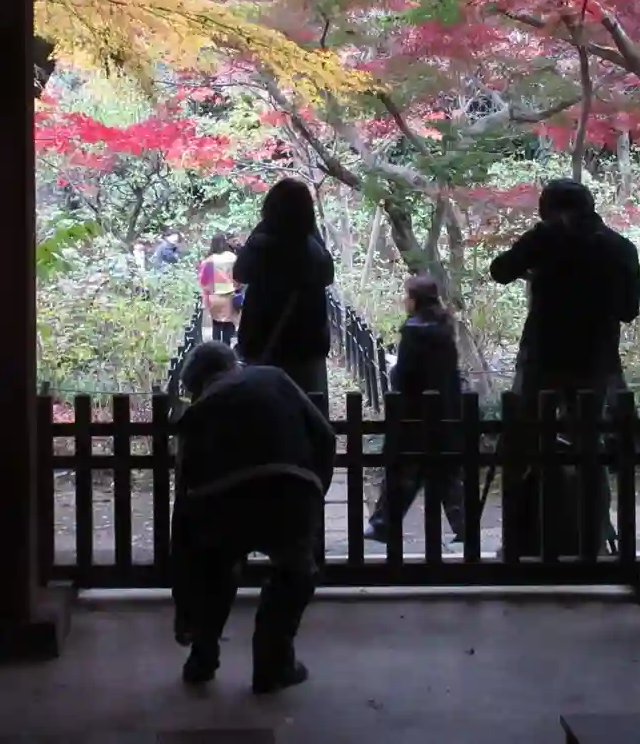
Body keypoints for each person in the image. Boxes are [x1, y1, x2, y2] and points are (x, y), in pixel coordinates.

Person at [170, 341, 336, 693]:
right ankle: (273, 663)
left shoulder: (196, 414)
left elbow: (185, 497)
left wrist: (185, 600)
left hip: (221, 500)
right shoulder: (273, 378)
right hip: (290, 489)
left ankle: (202, 658)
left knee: (215, 571)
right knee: (295, 572)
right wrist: (315, 488)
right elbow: (324, 434)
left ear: (196, 386)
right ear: (233, 364)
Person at [488, 178, 640, 556]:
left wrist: (540, 260)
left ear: (549, 211)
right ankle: (593, 538)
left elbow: (500, 270)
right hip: (595, 359)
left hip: (543, 358)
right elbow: (628, 310)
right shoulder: (619, 247)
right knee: (590, 448)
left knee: (524, 445)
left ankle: (519, 541)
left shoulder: (543, 241)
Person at [363, 274, 468, 545]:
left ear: (415, 300)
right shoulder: (444, 328)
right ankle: (465, 526)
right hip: (444, 411)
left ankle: (383, 524)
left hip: (414, 414)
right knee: (446, 473)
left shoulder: (413, 331)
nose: (404, 300)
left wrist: (394, 369)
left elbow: (404, 377)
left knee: (403, 473)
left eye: (407, 296)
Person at [233, 179, 335, 406]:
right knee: (308, 409)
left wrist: (261, 229)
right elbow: (327, 275)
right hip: (307, 344)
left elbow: (240, 273)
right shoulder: (313, 246)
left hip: (262, 340)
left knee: (265, 411)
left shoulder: (260, 244)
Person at [198, 233, 240, 345]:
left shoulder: (209, 261)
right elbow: (239, 276)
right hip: (230, 295)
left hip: (215, 295)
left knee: (216, 323)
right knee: (229, 323)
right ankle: (226, 347)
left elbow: (204, 282)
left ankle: (216, 347)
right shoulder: (232, 257)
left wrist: (206, 296)